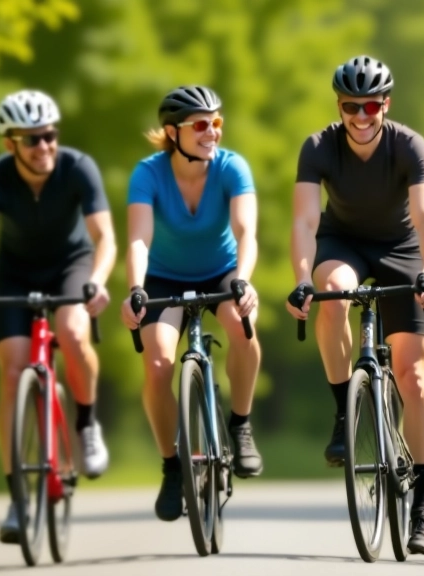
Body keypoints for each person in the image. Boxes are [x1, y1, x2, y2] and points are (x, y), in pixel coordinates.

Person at [285, 55, 424, 554]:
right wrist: (300, 281)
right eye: (351, 106)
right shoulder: (317, 146)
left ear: (385, 105)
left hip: (401, 249)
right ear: (339, 106)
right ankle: (344, 413)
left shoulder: (408, 145)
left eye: (371, 105)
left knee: (413, 376)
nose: (361, 116)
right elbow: (305, 222)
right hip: (343, 243)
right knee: (333, 295)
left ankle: (422, 506)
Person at [0, 89, 117, 543]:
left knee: (71, 331)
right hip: (14, 274)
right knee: (12, 372)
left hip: (72, 266)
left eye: (49, 135)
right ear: (10, 144)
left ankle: (86, 425)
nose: (44, 146)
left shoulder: (78, 167)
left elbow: (104, 235)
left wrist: (99, 279)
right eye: (31, 140)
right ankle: (17, 499)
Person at [120, 85, 264, 522]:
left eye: (217, 122)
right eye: (201, 124)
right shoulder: (147, 173)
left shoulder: (232, 167)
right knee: (159, 364)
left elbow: (246, 232)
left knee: (243, 327)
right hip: (164, 278)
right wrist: (135, 288)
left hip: (221, 271)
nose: (212, 132)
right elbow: (140, 238)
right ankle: (170, 466)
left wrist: (243, 279)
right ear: (172, 132)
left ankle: (240, 424)